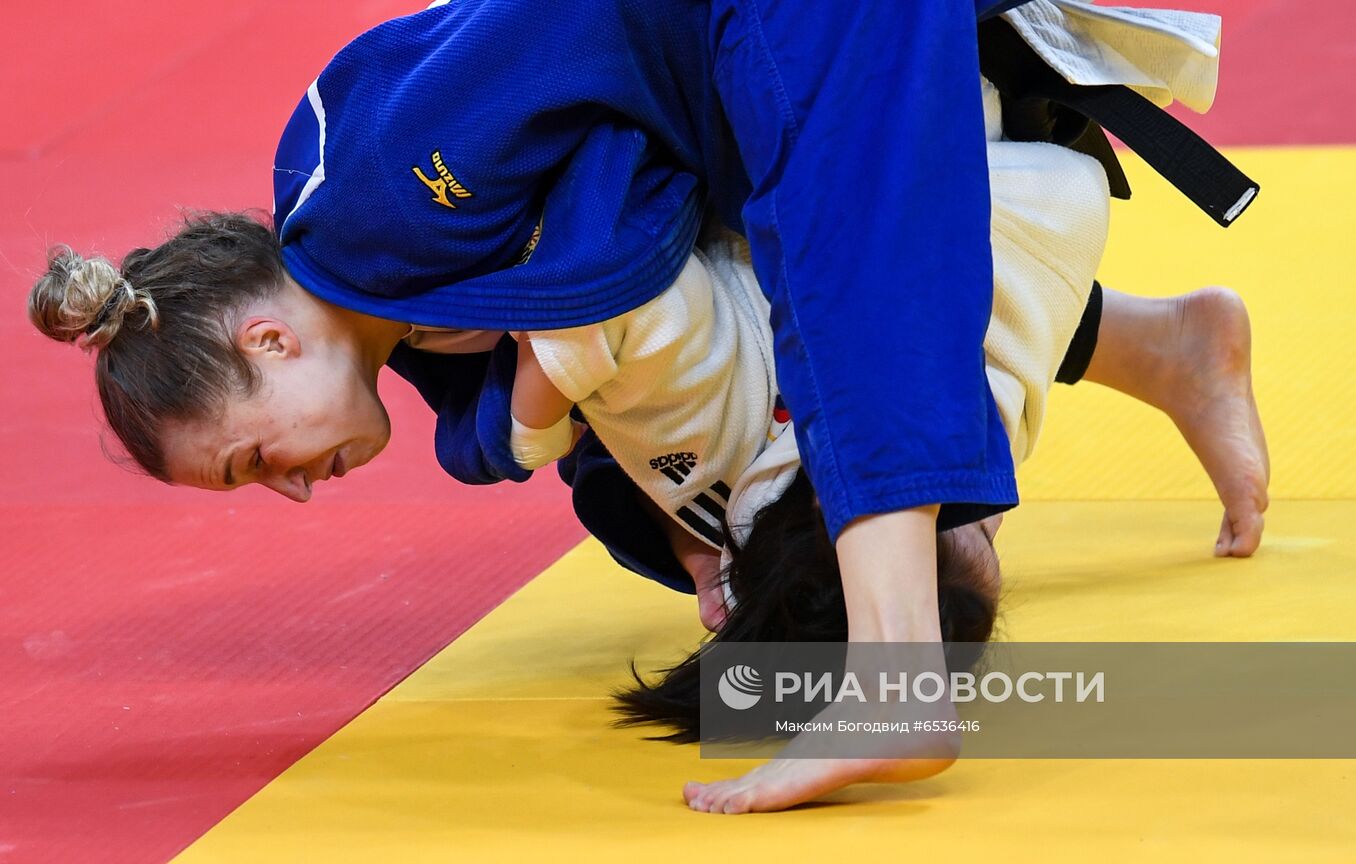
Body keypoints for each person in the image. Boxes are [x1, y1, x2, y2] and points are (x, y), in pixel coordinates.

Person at [27, 0, 1264, 814]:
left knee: (842, 271)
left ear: (267, 339)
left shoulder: (380, 199)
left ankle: (896, 673)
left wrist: (510, 425)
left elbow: (621, 252)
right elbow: (599, 378)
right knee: (749, 400)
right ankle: (1164, 347)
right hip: (726, 68)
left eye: (254, 461)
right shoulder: (370, 276)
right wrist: (670, 528)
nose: (295, 489)